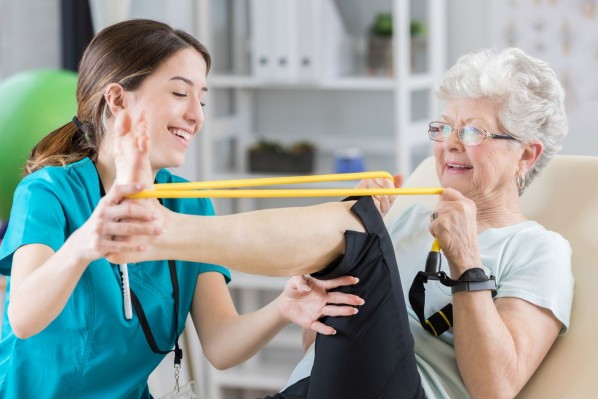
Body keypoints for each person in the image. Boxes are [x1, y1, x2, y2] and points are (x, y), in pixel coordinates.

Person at [111, 47, 573, 398]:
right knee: (357, 224)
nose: (450, 145)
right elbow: (318, 339)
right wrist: (320, 280)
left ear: (525, 155)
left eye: (471, 131)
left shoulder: (539, 250)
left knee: (357, 229)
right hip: (315, 388)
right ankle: (162, 230)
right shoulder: (412, 215)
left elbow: (496, 387)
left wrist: (466, 261)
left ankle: (161, 231)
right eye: (444, 128)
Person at [0, 19, 365, 398]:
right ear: (118, 99)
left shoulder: (189, 203)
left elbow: (221, 344)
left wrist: (284, 307)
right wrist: (84, 244)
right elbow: (23, 319)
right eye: (179, 93)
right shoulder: (48, 192)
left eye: (202, 99)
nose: (197, 115)